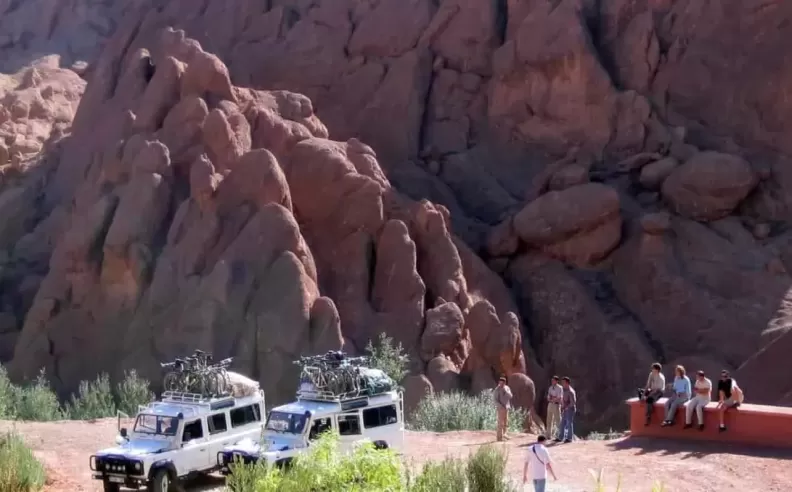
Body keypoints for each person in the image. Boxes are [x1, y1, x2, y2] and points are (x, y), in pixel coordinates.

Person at [555, 377, 576, 443]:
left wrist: (567, 407)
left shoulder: (571, 391)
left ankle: (569, 438)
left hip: (570, 409)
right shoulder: (563, 390)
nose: (562, 383)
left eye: (563, 382)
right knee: (562, 423)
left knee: (569, 423)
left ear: (567, 383)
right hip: (565, 409)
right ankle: (560, 437)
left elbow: (573, 402)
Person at [493, 376, 513, 441]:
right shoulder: (497, 389)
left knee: (506, 422)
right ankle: (499, 437)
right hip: (500, 408)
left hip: (506, 407)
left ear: (505, 383)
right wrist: (500, 406)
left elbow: (510, 396)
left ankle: (505, 434)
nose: (501, 384)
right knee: (500, 423)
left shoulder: (507, 388)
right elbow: (495, 400)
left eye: (502, 383)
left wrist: (505, 391)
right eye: (500, 382)